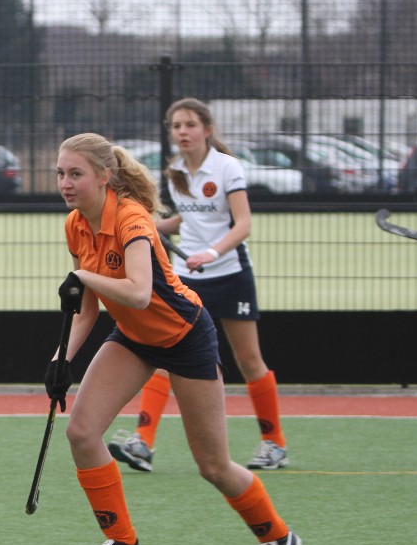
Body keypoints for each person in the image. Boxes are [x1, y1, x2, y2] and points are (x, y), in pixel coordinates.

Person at [47, 132, 300, 545]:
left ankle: (277, 537)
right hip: (133, 337)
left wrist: (83, 276)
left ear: (104, 176)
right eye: (61, 174)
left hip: (185, 337)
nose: (65, 183)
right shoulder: (75, 224)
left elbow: (138, 293)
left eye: (75, 174)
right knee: (81, 432)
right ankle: (122, 544)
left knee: (213, 466)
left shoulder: (131, 219)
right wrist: (60, 360)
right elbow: (86, 309)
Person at [108, 98, 288, 473]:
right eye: (176, 126)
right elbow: (186, 220)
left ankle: (274, 443)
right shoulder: (175, 170)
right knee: (165, 353)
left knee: (248, 359)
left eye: (190, 125)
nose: (183, 132)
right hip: (185, 279)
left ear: (207, 130)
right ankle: (142, 442)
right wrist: (152, 226)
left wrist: (211, 252)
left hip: (230, 274)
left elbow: (243, 224)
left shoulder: (227, 167)